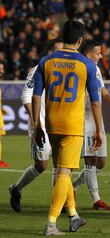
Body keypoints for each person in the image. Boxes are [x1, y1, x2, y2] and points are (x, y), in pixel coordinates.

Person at [32, 20, 103, 235]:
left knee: (61, 171)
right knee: (65, 172)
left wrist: (37, 125)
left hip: (52, 123)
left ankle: (73, 216)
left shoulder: (46, 61)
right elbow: (95, 101)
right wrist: (99, 129)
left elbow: (36, 95)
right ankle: (51, 223)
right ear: (80, 40)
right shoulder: (87, 65)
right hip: (72, 126)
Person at [9, 39, 63, 212]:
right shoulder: (38, 69)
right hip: (40, 124)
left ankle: (59, 201)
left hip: (58, 124)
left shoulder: (64, 70)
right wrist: (35, 122)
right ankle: (16, 189)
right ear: (49, 52)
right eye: (58, 51)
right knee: (41, 165)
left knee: (60, 162)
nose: (62, 54)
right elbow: (26, 95)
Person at [72, 39, 110, 210]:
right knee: (90, 159)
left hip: (96, 119)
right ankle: (97, 200)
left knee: (101, 162)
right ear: (88, 54)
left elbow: (102, 91)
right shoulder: (79, 67)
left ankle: (73, 185)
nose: (101, 55)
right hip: (83, 118)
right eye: (98, 53)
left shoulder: (95, 68)